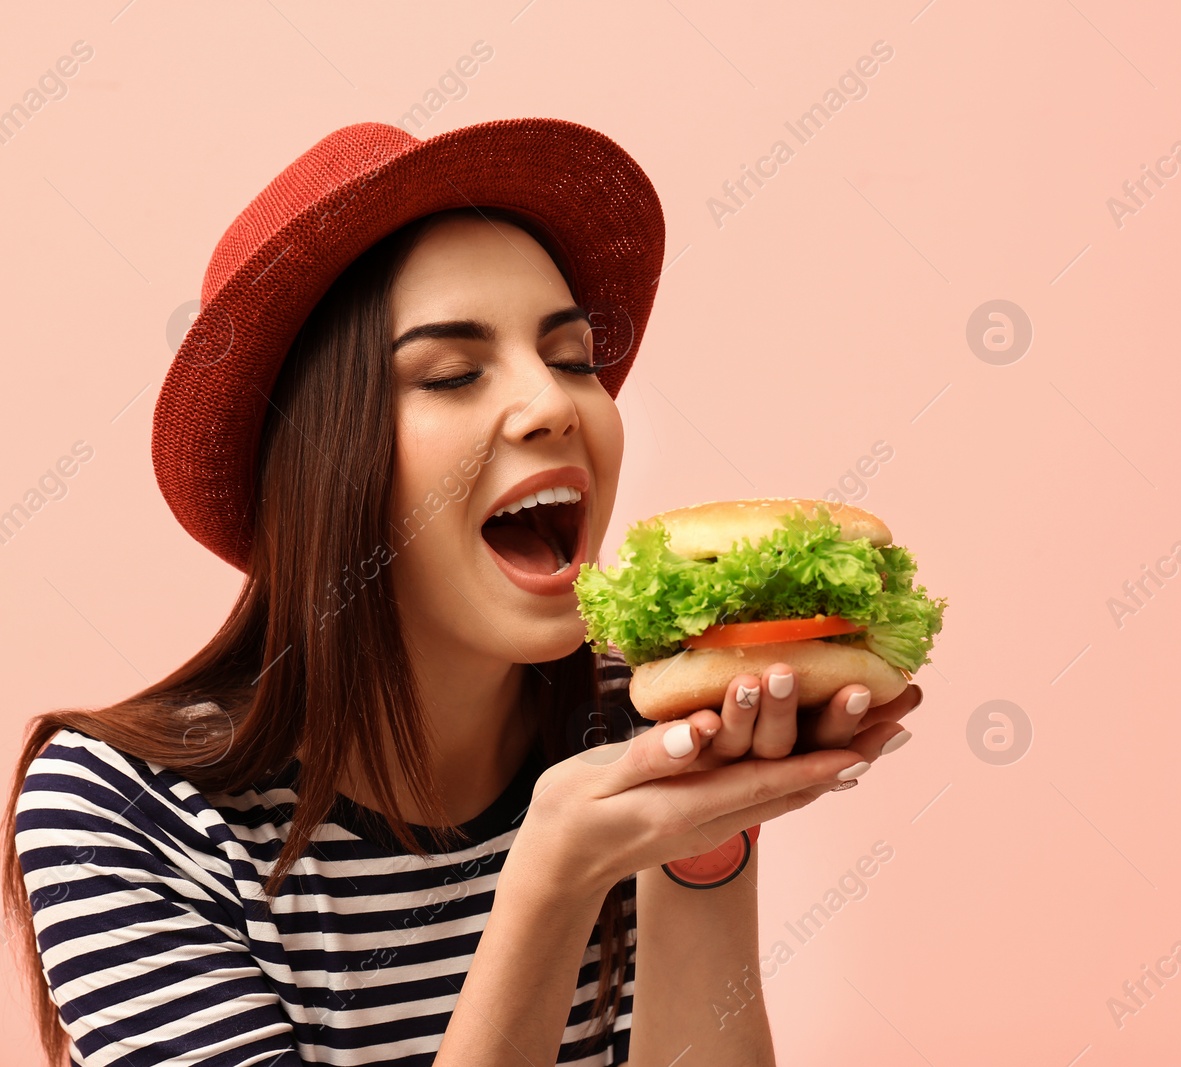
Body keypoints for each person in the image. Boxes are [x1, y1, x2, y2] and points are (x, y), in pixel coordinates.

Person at [0, 118, 921, 1066]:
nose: (557, 403)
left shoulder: (641, 729)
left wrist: (704, 846)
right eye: (451, 373)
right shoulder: (123, 814)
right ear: (322, 466)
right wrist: (553, 883)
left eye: (571, 358)